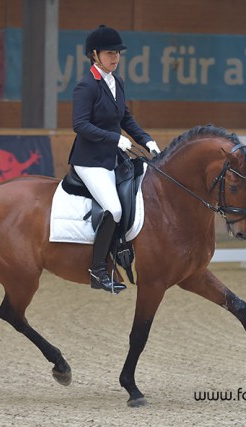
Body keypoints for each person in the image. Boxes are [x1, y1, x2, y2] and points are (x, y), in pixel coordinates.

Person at [68, 25, 161, 294]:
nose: (115, 58)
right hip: (90, 160)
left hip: (113, 157)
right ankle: (97, 270)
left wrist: (146, 140)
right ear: (94, 55)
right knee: (114, 209)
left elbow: (125, 118)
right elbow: (80, 125)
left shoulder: (116, 81)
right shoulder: (86, 86)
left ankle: (122, 250)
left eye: (118, 54)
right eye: (110, 53)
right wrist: (113, 138)